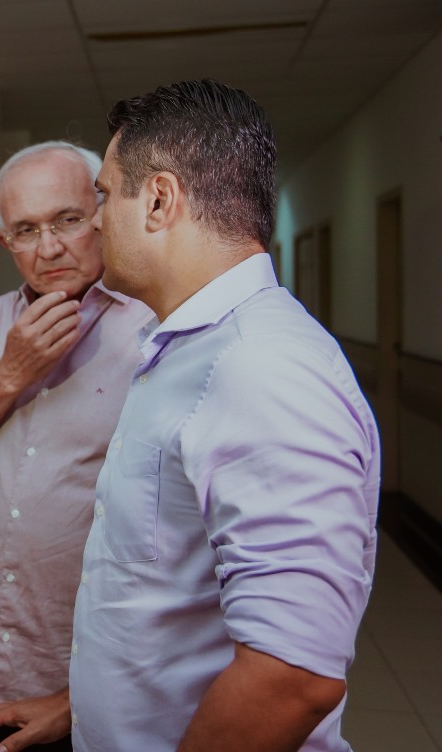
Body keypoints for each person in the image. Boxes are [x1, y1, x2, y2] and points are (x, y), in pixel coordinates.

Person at [71, 79, 380, 751]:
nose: (94, 222)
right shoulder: (187, 349)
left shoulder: (259, 365)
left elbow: (292, 675)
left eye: (105, 194)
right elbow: (169, 597)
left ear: (159, 200)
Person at [0, 141, 153, 752]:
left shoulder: (155, 326)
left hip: (100, 681)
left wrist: (81, 697)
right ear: (5, 242)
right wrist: (9, 374)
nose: (48, 248)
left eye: (67, 219)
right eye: (25, 230)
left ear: (103, 213)